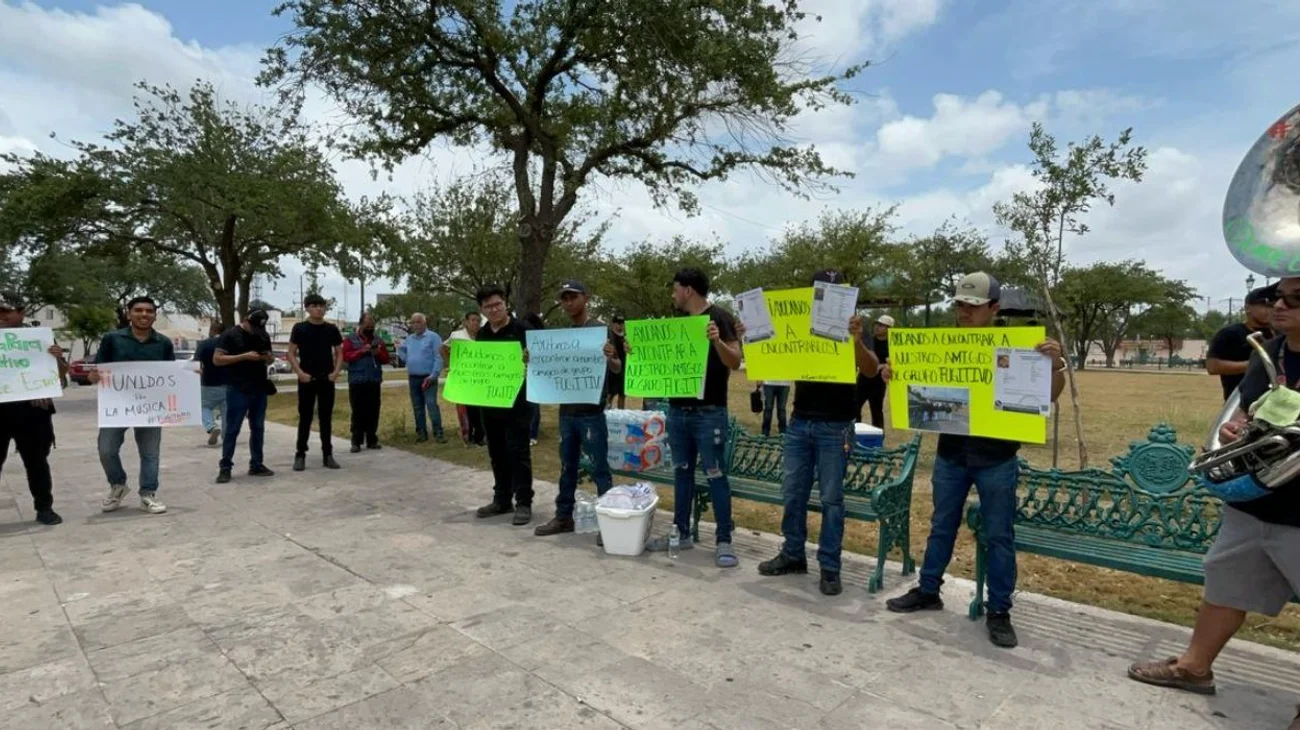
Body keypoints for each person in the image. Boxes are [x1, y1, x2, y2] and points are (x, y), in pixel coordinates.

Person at [1128, 276, 1300, 726]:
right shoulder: (1269, 354)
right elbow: (1247, 411)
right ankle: (1194, 667)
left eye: (1294, 299)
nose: (1278, 304)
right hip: (1254, 499)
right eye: (1278, 296)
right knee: (1225, 586)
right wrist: (1236, 430)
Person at [884, 272, 1065, 648]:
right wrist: (894, 375)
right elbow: (917, 388)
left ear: (994, 308)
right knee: (940, 526)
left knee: (999, 535)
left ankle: (999, 611)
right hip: (952, 453)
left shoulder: (1020, 347)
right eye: (959, 305)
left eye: (973, 306)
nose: (964, 312)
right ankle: (929, 589)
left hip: (997, 457)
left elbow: (1047, 395)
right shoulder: (942, 345)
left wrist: (1056, 366)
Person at [752, 271, 881, 595]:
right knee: (792, 492)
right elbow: (767, 351)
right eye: (821, 291)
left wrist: (856, 340)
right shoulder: (796, 323)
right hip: (799, 423)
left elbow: (869, 369)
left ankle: (830, 566)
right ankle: (793, 554)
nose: (827, 297)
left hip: (835, 427)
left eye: (834, 291)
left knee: (831, 499)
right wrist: (750, 333)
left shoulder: (851, 327)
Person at [644, 268, 743, 568]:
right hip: (678, 412)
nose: (673, 295)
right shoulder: (676, 324)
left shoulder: (720, 318)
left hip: (709, 412)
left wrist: (717, 341)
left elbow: (735, 361)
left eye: (675, 289)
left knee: (715, 475)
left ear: (688, 290)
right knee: (681, 473)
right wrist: (640, 352)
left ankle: (724, 540)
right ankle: (680, 533)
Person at [534, 280, 622, 538]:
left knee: (599, 468)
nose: (568, 302)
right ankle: (563, 517)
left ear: (586, 297)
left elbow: (617, 368)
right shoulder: (563, 336)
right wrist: (534, 359)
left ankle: (610, 524)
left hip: (592, 412)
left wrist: (611, 356)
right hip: (567, 413)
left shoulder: (600, 331)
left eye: (573, 297)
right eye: (564, 298)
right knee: (566, 466)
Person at [88, 296, 175, 514]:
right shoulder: (112, 339)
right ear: (129, 314)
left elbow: (172, 375)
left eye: (149, 311)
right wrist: (93, 375)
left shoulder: (163, 343)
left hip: (150, 407)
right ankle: (118, 485)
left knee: (150, 453)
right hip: (117, 406)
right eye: (138, 310)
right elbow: (96, 372)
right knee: (106, 449)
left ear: (155, 315)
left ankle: (148, 494)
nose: (144, 314)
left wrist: (190, 375)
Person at [0, 291, 66, 525]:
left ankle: (44, 508)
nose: (2, 316)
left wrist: (56, 359)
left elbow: (60, 376)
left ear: (21, 312)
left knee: (37, 462)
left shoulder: (39, 338)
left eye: (7, 311)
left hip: (32, 412)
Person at [472, 285, 534, 526]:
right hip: (490, 402)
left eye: (498, 304)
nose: (494, 309)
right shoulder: (483, 334)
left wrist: (531, 357)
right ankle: (502, 499)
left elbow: (539, 361)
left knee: (518, 451)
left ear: (505, 303)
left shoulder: (523, 329)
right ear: (482, 310)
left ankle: (524, 502)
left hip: (518, 402)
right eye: (489, 306)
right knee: (496, 451)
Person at [214, 309, 276, 483]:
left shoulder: (263, 335)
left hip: (259, 387)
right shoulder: (230, 335)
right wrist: (244, 357)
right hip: (238, 388)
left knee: (258, 428)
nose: (255, 330)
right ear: (245, 320)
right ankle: (225, 466)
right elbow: (217, 359)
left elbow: (269, 359)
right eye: (253, 326)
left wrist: (267, 358)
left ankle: (256, 464)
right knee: (232, 429)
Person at [287, 294, 343, 471]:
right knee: (305, 417)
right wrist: (299, 372)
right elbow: (291, 353)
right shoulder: (300, 328)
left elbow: (340, 352)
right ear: (307, 308)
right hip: (306, 379)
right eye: (315, 305)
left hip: (326, 378)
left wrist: (335, 372)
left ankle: (328, 454)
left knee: (326, 417)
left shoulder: (331, 329)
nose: (319, 308)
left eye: (321, 306)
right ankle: (300, 454)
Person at [1207, 285, 1276, 401]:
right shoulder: (1230, 333)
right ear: (1248, 308)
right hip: (1240, 402)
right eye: (1265, 305)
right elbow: (1212, 366)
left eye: (1273, 305)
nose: (1271, 310)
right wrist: (1255, 364)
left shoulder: (1279, 333)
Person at [342, 312, 390, 452]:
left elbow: (386, 359)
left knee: (373, 410)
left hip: (373, 379)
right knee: (357, 411)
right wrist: (361, 351)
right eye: (367, 324)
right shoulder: (350, 339)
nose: (370, 327)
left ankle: (371, 439)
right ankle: (356, 441)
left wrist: (378, 353)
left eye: (372, 325)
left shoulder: (378, 340)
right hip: (357, 380)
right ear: (361, 324)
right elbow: (346, 357)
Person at [398, 313, 445, 444]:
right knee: (417, 407)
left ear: (425, 323)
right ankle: (421, 433)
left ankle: (438, 432)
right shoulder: (409, 339)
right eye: (413, 322)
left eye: (418, 322)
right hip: (413, 377)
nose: (415, 325)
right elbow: (403, 353)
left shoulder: (433, 337)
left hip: (428, 377)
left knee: (431, 405)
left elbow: (438, 357)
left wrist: (433, 375)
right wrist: (403, 354)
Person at [444, 311, 486, 446]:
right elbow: (443, 348)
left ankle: (480, 436)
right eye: (473, 320)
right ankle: (468, 435)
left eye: (478, 320)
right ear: (466, 322)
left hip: (480, 378)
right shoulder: (457, 336)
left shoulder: (483, 335)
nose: (475, 323)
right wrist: (451, 364)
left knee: (480, 408)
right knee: (467, 408)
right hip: (464, 379)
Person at [856, 315, 893, 427]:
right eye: (876, 324)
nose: (877, 327)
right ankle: (855, 433)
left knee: (876, 411)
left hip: (878, 383)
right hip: (863, 379)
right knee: (854, 407)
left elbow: (896, 362)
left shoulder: (892, 345)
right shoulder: (868, 341)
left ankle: (878, 438)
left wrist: (881, 366)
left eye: (881, 325)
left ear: (889, 329)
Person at [193, 322, 226, 447]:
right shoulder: (229, 343)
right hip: (228, 383)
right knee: (226, 413)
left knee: (203, 407)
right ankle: (227, 436)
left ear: (212, 330)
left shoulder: (205, 344)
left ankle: (211, 426)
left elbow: (196, 362)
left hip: (209, 382)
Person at [523, 313, 546, 445]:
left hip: (535, 376)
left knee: (533, 406)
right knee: (530, 406)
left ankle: (532, 434)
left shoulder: (540, 340)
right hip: (524, 375)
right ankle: (530, 434)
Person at [607, 315, 627, 410]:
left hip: (625, 369)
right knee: (610, 394)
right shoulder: (609, 335)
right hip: (613, 370)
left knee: (622, 394)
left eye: (622, 323)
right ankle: (607, 413)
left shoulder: (627, 336)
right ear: (613, 324)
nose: (620, 325)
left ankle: (621, 414)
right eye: (618, 323)